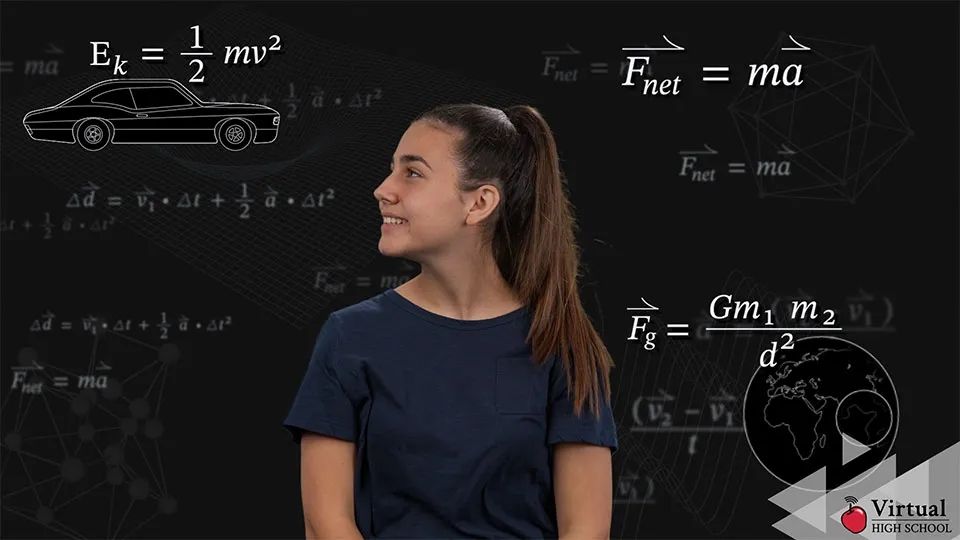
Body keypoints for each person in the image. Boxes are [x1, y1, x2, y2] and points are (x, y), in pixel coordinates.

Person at [283, 103, 618, 540]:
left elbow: (586, 530)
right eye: (391, 170)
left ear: (479, 203)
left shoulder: (560, 342)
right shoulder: (350, 337)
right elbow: (326, 524)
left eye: (413, 173)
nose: (383, 190)